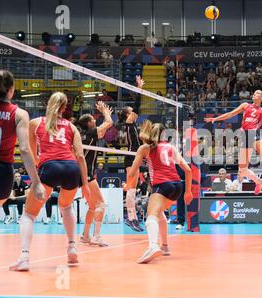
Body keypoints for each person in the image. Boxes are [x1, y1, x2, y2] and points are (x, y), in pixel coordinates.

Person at [10, 92, 91, 271]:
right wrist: (85, 184)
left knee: (29, 214)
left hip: (50, 167)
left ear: (48, 104)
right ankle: (72, 247)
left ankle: (24, 257)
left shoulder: (35, 123)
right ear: (64, 108)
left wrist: (40, 166)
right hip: (71, 169)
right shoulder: (71, 126)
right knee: (66, 207)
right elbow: (80, 156)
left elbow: (32, 153)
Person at [128, 120, 193, 263]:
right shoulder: (171, 147)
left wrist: (128, 186)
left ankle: (153, 246)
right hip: (177, 186)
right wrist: (188, 192)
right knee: (160, 213)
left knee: (151, 216)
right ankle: (165, 246)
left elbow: (132, 172)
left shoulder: (145, 148)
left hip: (162, 185)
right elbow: (188, 170)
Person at [0, 70, 45, 222]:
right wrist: (36, 182)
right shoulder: (19, 114)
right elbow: (25, 149)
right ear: (11, 90)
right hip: (1, 172)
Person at [78, 101, 113, 246]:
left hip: (81, 174)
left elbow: (103, 131)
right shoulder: (90, 133)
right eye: (93, 120)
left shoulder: (86, 135)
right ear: (88, 123)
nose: (95, 120)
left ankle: (85, 236)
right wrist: (105, 112)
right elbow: (109, 123)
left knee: (93, 207)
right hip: (86, 175)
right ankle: (97, 236)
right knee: (101, 205)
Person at [122, 76, 145, 232]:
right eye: (131, 113)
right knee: (130, 188)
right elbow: (137, 107)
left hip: (135, 156)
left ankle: (133, 217)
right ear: (127, 116)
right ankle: (130, 218)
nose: (134, 114)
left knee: (132, 188)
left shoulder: (134, 126)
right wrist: (140, 88)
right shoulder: (129, 122)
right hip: (131, 157)